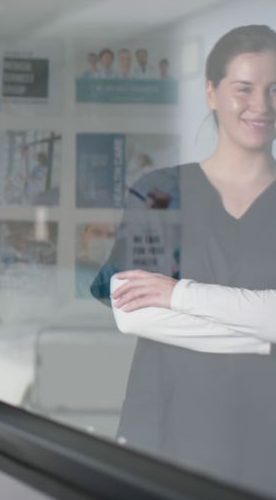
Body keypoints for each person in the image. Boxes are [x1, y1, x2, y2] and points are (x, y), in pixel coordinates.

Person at [91, 24, 276, 493]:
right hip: (169, 431)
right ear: (212, 93)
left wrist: (179, 294)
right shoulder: (160, 192)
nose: (262, 104)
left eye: (275, 89)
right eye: (244, 89)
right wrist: (264, 335)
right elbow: (134, 315)